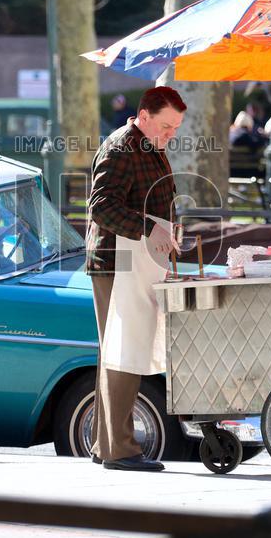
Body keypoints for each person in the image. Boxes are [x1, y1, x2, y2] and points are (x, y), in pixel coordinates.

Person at [85, 85, 184, 472]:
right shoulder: (121, 147)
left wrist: (164, 232)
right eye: (165, 126)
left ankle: (104, 443)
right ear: (143, 116)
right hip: (116, 262)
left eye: (175, 128)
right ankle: (119, 450)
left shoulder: (148, 144)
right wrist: (148, 228)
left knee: (117, 350)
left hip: (131, 259)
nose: (170, 134)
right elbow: (100, 207)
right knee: (122, 352)